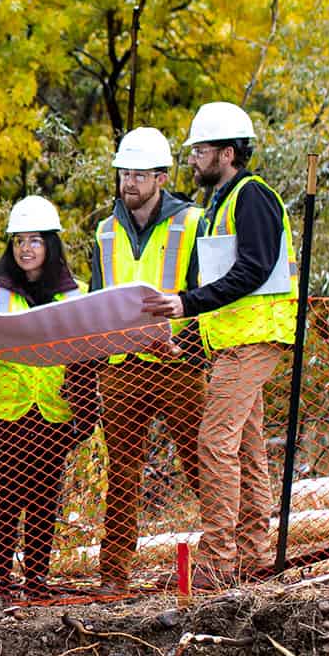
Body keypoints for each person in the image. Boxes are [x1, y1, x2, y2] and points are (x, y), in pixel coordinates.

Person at [139, 102, 297, 587]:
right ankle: (251, 556)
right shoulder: (218, 206)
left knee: (214, 441)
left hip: (254, 338)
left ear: (227, 153)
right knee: (246, 449)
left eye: (201, 150)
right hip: (232, 340)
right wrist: (184, 331)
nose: (193, 159)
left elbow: (251, 270)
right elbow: (219, 280)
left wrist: (185, 305)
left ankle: (217, 562)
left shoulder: (252, 198)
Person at [88, 127, 208, 590]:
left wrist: (189, 347)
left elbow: (206, 295)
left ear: (161, 177)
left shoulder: (193, 222)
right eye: (124, 173)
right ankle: (113, 574)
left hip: (179, 364)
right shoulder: (105, 231)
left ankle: (227, 554)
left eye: (139, 174)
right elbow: (99, 301)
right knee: (121, 472)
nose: (129, 182)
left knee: (200, 462)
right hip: (122, 368)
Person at [0, 197, 92, 597]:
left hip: (52, 412)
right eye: (19, 240)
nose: (26, 249)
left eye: (35, 240)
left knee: (43, 499)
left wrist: (85, 410)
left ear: (51, 245)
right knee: (3, 500)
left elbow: (86, 359)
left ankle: (37, 579)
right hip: (4, 414)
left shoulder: (77, 296)